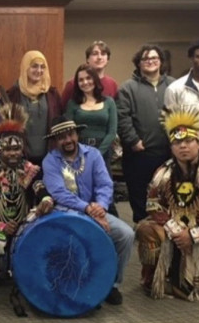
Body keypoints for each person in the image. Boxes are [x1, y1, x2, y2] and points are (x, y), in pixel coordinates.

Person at [136, 106, 199, 301]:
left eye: (188, 141)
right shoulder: (163, 172)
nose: (183, 146)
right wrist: (176, 231)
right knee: (145, 230)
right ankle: (158, 279)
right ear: (171, 147)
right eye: (177, 142)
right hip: (175, 230)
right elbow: (153, 204)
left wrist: (193, 236)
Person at [42, 116, 134, 305]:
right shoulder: (50, 161)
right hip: (64, 212)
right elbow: (59, 193)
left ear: (77, 134)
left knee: (126, 234)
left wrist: (100, 207)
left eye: (70, 134)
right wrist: (87, 208)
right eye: (61, 138)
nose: (67, 140)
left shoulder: (93, 155)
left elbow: (105, 184)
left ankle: (112, 284)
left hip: (95, 209)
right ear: (55, 141)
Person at [0, 99, 53, 289]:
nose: (13, 153)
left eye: (16, 148)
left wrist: (46, 199)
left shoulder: (31, 170)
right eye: (8, 149)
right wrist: (2, 226)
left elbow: (38, 187)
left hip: (26, 224)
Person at [117, 44, 175, 223]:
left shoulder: (173, 85)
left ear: (161, 62)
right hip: (139, 152)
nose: (150, 61)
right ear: (139, 63)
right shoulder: (127, 88)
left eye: (154, 58)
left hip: (168, 152)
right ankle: (142, 227)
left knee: (166, 192)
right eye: (146, 58)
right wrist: (133, 140)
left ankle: (165, 225)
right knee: (139, 192)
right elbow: (122, 117)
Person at [64, 64, 118, 215]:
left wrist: (97, 154)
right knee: (81, 190)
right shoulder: (73, 104)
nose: (85, 82)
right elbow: (69, 131)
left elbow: (112, 131)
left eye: (88, 78)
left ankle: (107, 224)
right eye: (80, 80)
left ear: (95, 80)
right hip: (78, 154)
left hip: (103, 153)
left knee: (104, 192)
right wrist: (81, 152)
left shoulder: (109, 102)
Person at [6, 50, 62, 165]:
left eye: (42, 67)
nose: (39, 70)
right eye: (34, 66)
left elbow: (59, 123)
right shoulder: (12, 95)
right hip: (20, 160)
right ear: (25, 67)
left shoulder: (52, 94)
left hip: (50, 159)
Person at [61, 40, 119, 106]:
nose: (99, 57)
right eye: (95, 54)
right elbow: (63, 110)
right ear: (87, 59)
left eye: (103, 54)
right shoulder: (73, 84)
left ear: (107, 59)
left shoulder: (112, 84)